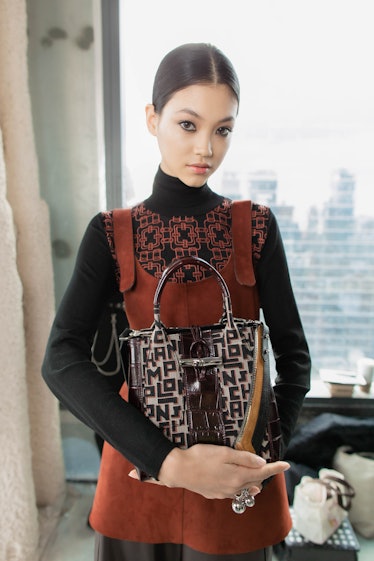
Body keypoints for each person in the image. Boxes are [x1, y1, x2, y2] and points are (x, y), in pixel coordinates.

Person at [42, 43, 311, 561]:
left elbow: (295, 357)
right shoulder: (110, 233)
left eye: (223, 129)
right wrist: (168, 463)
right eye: (189, 124)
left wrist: (265, 455)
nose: (206, 148)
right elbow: (60, 359)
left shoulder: (254, 227)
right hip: (139, 478)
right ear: (153, 118)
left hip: (238, 482)